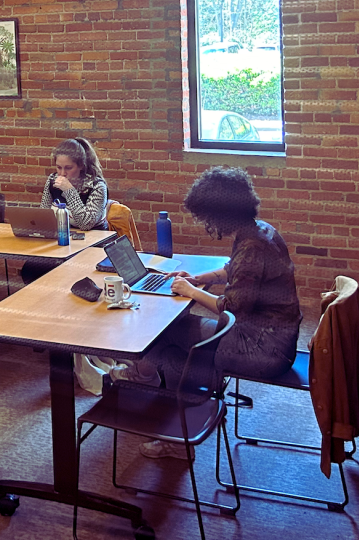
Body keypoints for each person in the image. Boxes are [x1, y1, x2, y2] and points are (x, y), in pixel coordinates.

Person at [120, 166, 302, 459]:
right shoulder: (259, 230)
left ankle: (181, 438)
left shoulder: (253, 245)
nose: (205, 222)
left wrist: (191, 292)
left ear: (220, 213)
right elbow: (235, 269)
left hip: (263, 350)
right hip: (273, 338)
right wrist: (203, 279)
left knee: (168, 347)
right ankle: (160, 390)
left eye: (206, 216)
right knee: (171, 333)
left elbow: (231, 308)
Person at [19, 137, 110, 284]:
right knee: (30, 270)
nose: (62, 174)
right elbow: (44, 213)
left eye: (68, 168)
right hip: (63, 241)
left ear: (81, 166)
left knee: (68, 272)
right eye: (58, 167)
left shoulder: (97, 186)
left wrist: (69, 191)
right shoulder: (52, 180)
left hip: (92, 244)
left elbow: (86, 224)